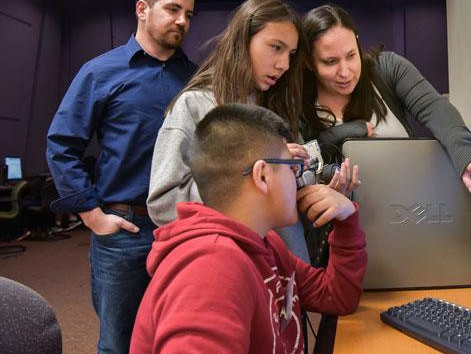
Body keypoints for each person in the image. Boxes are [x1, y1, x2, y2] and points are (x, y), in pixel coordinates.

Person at [130, 103, 367, 353]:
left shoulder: (266, 245)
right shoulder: (211, 268)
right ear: (263, 175)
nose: (298, 181)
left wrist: (345, 221)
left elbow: (337, 297)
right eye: (292, 168)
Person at [46, 0, 197, 353]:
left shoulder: (195, 79)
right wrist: (93, 217)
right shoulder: (101, 71)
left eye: (189, 14)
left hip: (183, 229)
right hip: (124, 231)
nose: (182, 20)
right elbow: (62, 146)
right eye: (173, 9)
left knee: (180, 337)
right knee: (119, 344)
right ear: (142, 9)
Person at [147, 0, 340, 262]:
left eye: (291, 54)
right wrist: (253, 174)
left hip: (285, 269)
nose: (284, 64)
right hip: (228, 269)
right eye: (275, 47)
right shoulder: (194, 106)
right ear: (243, 41)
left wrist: (308, 183)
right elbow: (163, 204)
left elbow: (282, 206)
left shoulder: (278, 106)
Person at [300, 4, 471, 194]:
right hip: (335, 226)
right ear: (309, 62)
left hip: (405, 207)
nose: (345, 71)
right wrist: (338, 135)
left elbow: (434, 107)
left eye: (351, 55)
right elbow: (303, 164)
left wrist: (467, 151)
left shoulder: (388, 68)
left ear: (357, 42)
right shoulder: (298, 99)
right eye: (330, 62)